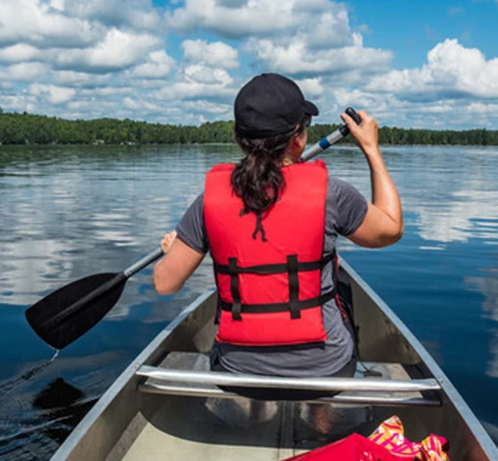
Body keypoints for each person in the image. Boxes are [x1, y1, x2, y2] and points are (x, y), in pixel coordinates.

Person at [153, 73, 402, 381]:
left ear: (240, 138)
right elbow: (390, 229)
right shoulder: (331, 195)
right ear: (298, 138)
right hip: (326, 370)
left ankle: (255, 417)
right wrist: (371, 149)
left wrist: (172, 250)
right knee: (342, 286)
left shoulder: (209, 201)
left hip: (237, 372)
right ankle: (321, 417)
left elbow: (165, 283)